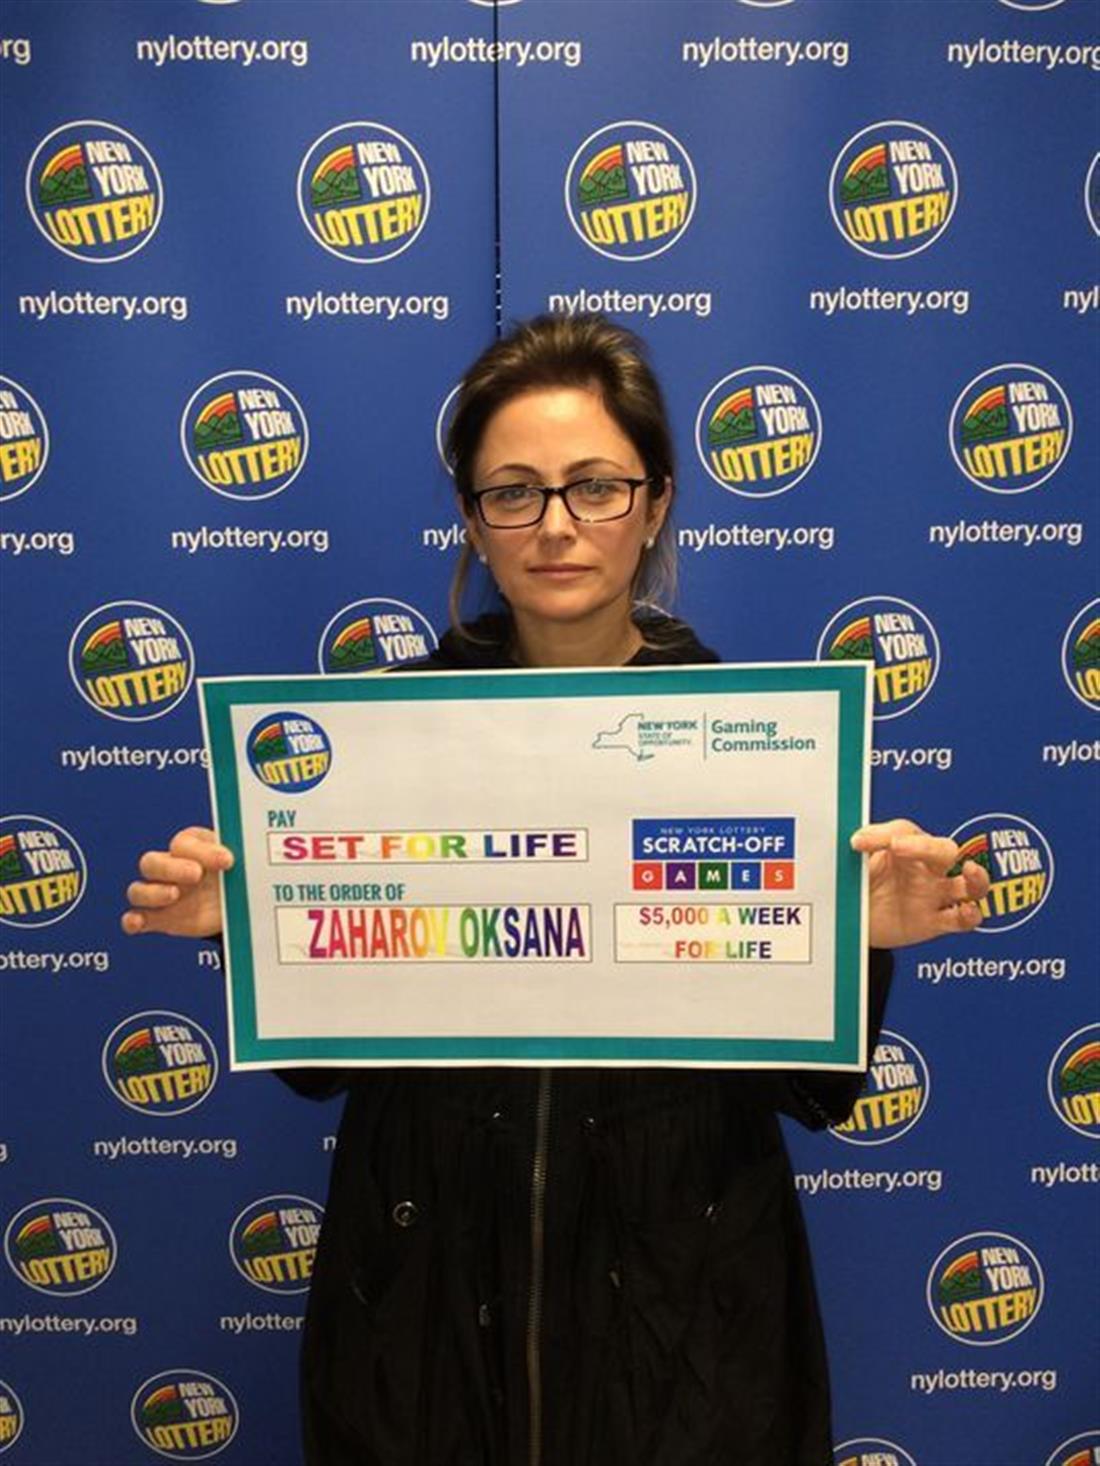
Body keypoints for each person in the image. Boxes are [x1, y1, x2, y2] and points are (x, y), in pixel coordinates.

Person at [122, 315, 988, 1465]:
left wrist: (856, 935)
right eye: (513, 492)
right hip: (424, 1312)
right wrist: (247, 923)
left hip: (683, 1320)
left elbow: (810, 1089)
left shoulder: (762, 747)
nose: (556, 524)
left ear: (656, 501)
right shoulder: (375, 740)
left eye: (594, 485)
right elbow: (318, 1066)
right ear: (472, 518)